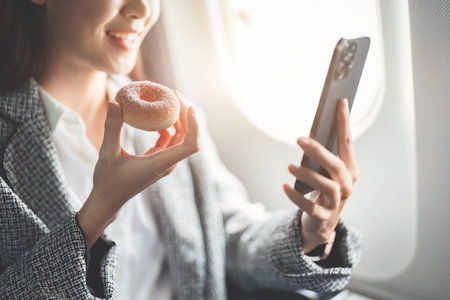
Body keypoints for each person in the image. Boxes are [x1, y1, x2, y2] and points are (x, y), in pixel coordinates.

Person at [0, 0, 361, 299]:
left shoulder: (178, 118)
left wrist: (311, 234)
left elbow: (226, 234)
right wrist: (97, 212)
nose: (143, 8)